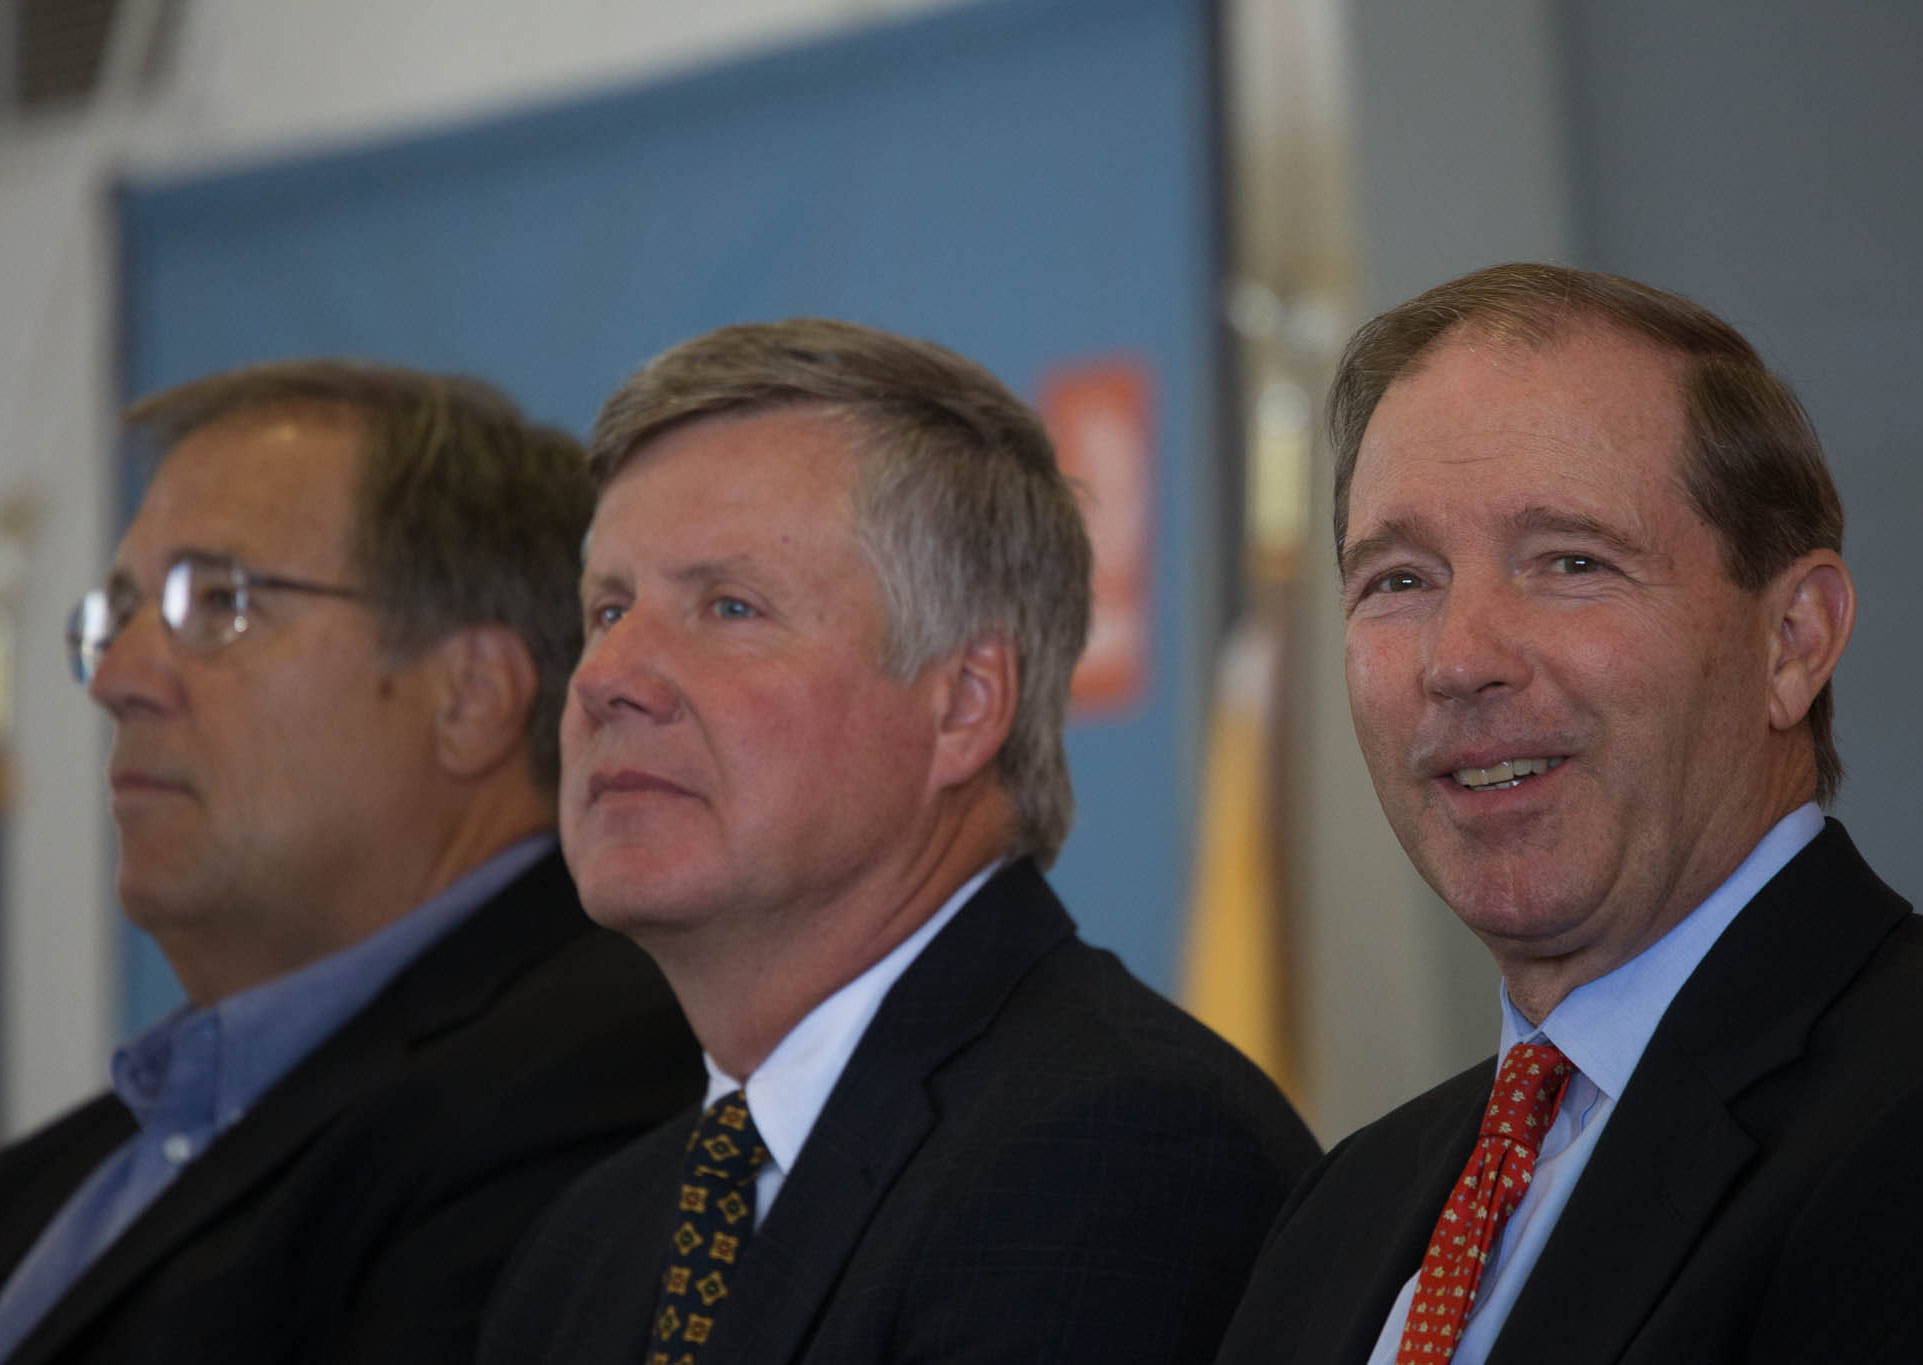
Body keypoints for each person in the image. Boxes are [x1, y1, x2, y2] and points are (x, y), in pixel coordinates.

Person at [478, 318, 1319, 1365]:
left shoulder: (1121, 1153)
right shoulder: (590, 1242)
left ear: (964, 706)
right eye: (607, 610)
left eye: (729, 607)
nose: (606, 678)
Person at [1213, 263, 1923, 1365]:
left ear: (1792, 641)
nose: (1460, 660)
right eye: (1399, 581)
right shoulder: (1341, 1209)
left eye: (1572, 562)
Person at [0, 361, 703, 1365]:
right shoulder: (60, 1174)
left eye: (220, 601)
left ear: (471, 698)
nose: (118, 680)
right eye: (118, 615)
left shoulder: (597, 1085)